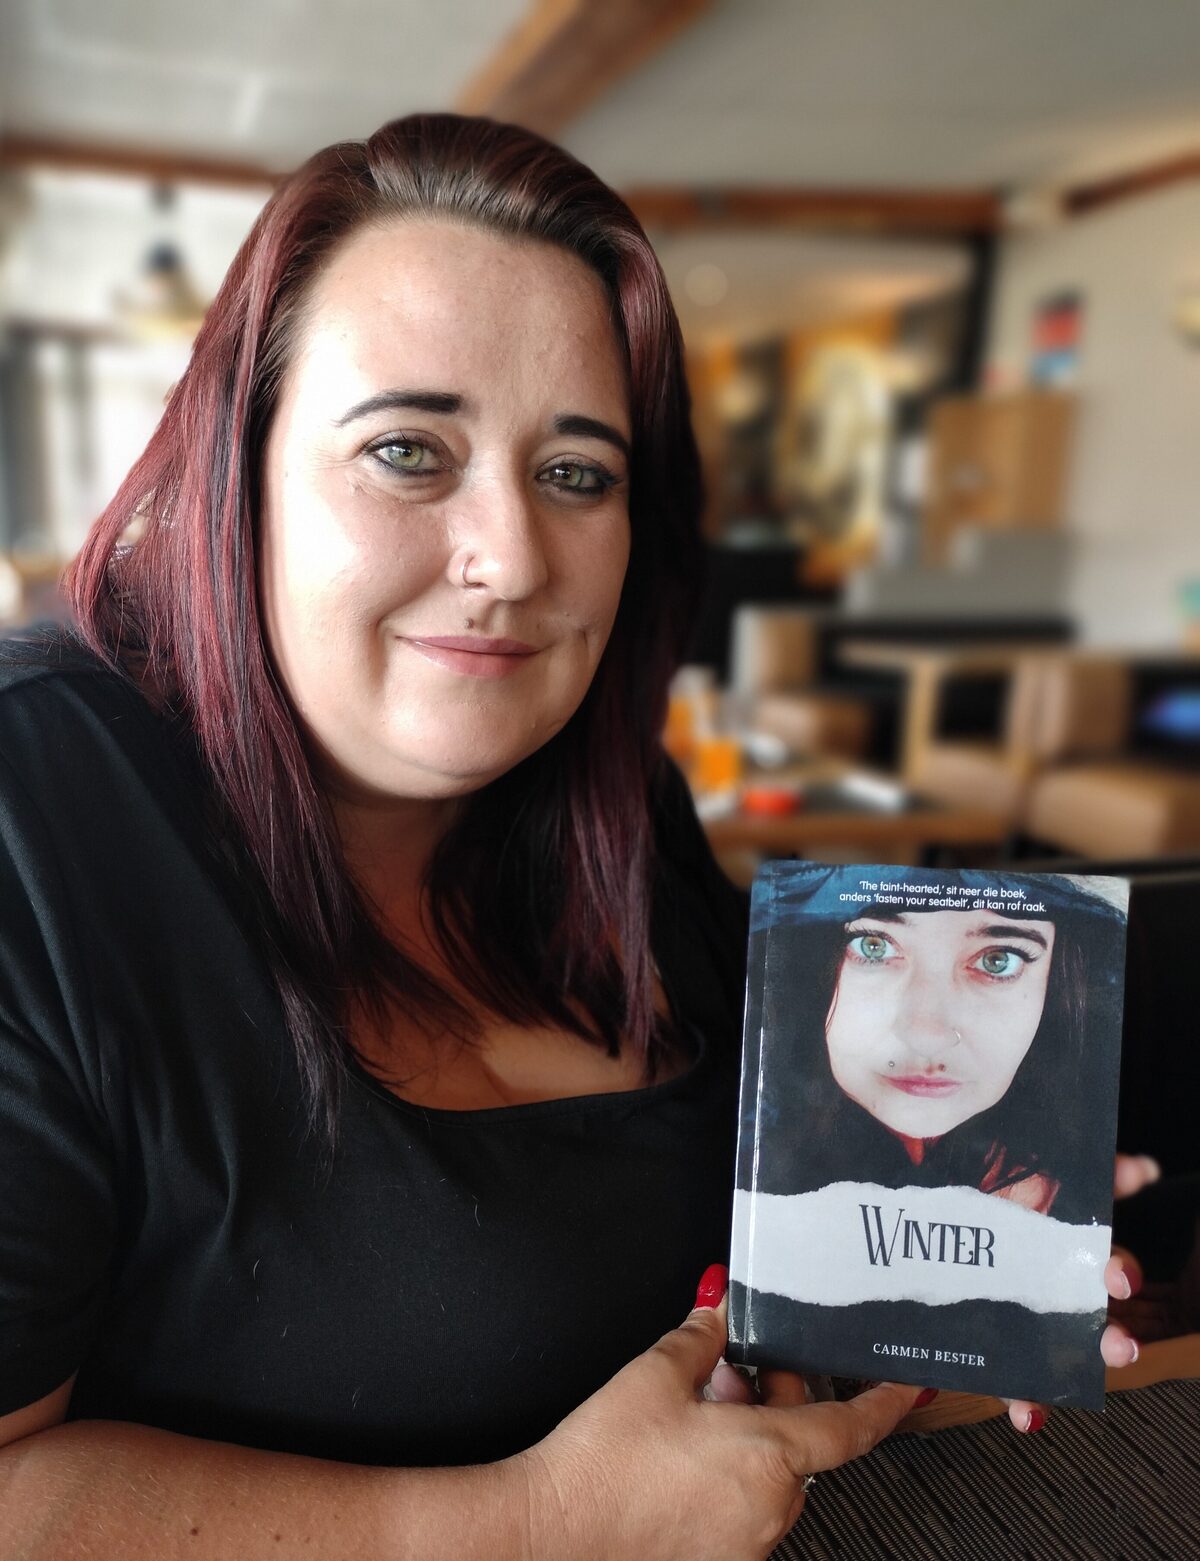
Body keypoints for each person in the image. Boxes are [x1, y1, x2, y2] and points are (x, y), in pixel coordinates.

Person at [0, 115, 1141, 1559]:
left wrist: (928, 1258)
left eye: (578, 473)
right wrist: (537, 1523)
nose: (514, 558)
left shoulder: (618, 806)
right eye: (407, 450)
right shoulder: (38, 818)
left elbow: (728, 1296)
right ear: (237, 472)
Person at [747, 867, 1128, 1225]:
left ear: (1057, 981)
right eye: (874, 946)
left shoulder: (1093, 1182)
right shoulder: (748, 1162)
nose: (927, 1036)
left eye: (997, 960)